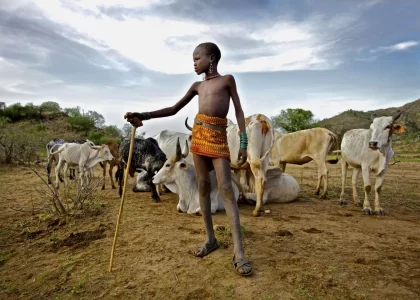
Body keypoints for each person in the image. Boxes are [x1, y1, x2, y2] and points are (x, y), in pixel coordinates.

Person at [125, 42, 252, 276]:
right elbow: (174, 109)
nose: (194, 63)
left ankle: (239, 251)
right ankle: (210, 239)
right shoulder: (197, 86)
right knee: (203, 186)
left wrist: (243, 142)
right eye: (193, 59)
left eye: (197, 58)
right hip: (199, 137)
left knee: (224, 187)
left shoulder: (227, 81)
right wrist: (143, 115)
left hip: (218, 137)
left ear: (211, 58)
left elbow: (239, 112)